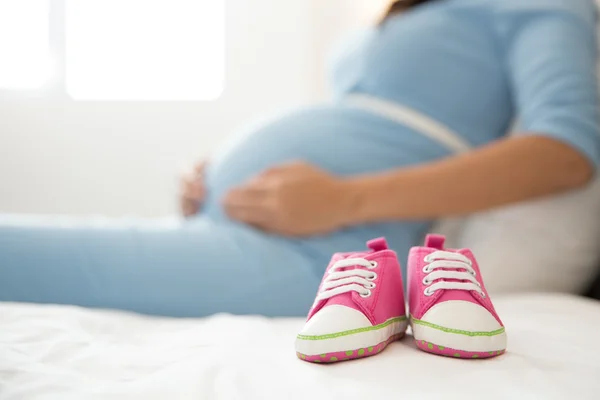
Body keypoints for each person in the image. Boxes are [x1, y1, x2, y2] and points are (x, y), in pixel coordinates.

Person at [1, 0, 598, 318]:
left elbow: (566, 153)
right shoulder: (404, 15)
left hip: (335, 252)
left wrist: (343, 199)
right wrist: (226, 185)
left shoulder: (534, 3)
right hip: (286, 227)